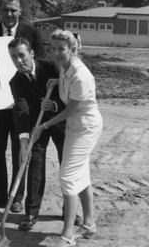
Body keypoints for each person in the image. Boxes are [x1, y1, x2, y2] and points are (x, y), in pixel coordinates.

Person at [31, 29, 103, 247]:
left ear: (73, 49)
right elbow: (64, 83)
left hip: (85, 127)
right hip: (76, 126)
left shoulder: (81, 76)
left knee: (68, 177)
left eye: (60, 49)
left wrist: (43, 126)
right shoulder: (65, 67)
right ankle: (89, 225)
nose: (55, 53)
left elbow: (68, 111)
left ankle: (67, 234)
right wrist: (55, 80)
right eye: (52, 49)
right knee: (80, 174)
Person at [0, 0, 45, 212]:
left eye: (13, 10)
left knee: (21, 151)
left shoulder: (32, 33)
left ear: (20, 12)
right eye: (5, 9)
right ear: (0, 10)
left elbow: (40, 67)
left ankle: (16, 197)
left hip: (22, 107)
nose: (9, 14)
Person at [7, 37, 66, 230]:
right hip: (37, 125)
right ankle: (31, 214)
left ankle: (70, 210)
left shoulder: (52, 68)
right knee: (34, 166)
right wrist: (24, 143)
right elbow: (22, 112)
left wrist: (55, 104)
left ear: (31, 53)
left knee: (68, 167)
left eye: (22, 55)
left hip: (61, 122)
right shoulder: (16, 81)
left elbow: (72, 96)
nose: (19, 61)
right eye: (14, 57)